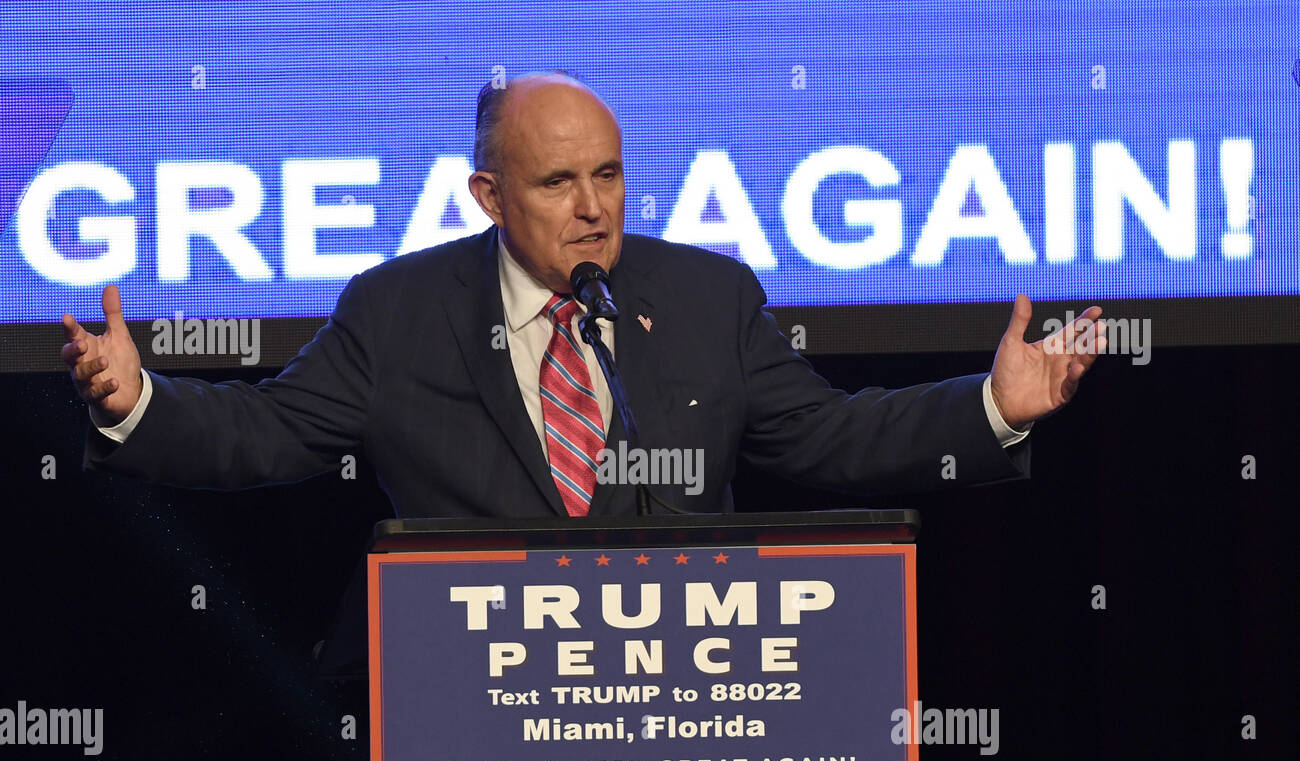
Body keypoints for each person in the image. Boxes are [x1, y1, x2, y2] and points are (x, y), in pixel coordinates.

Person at [61, 72, 1106, 518]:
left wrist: (988, 408)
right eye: (557, 183)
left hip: (689, 709)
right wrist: (138, 399)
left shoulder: (704, 296)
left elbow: (829, 438)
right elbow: (267, 434)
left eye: (606, 175)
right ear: (489, 194)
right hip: (462, 714)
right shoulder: (398, 312)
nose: (593, 207)